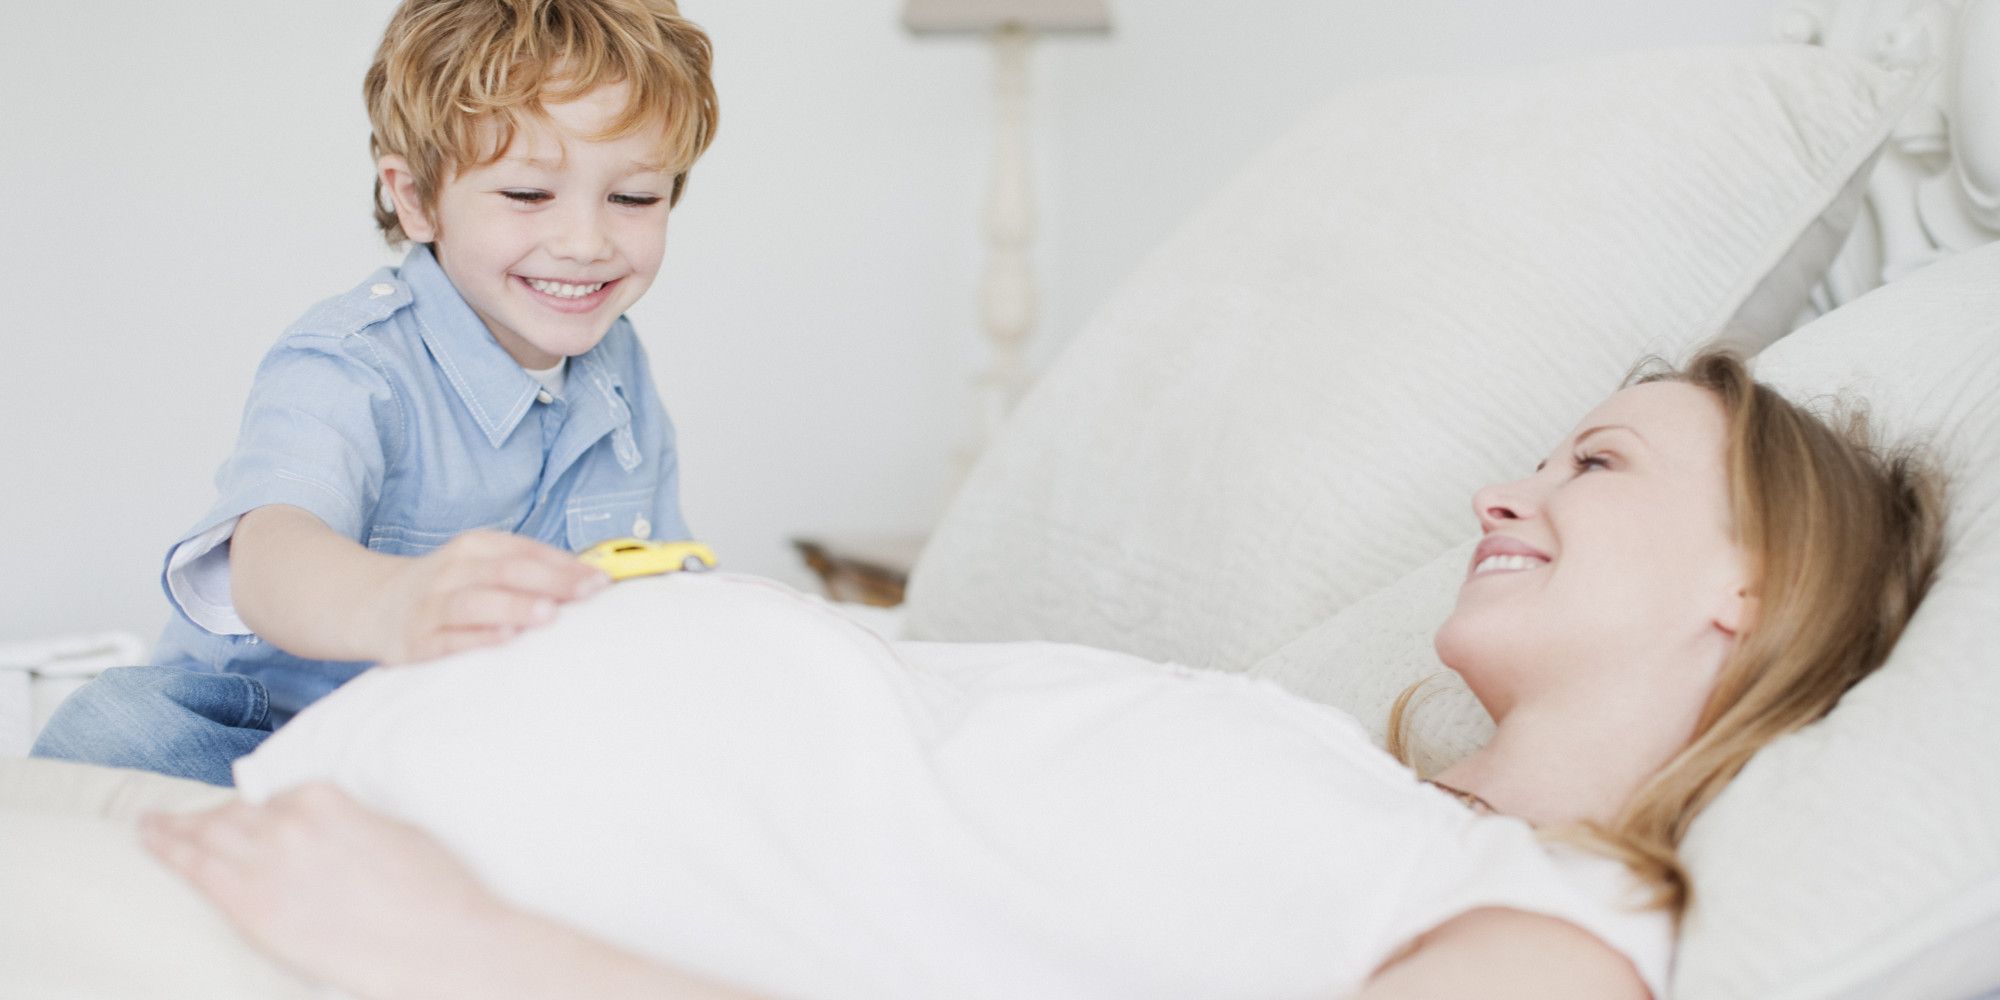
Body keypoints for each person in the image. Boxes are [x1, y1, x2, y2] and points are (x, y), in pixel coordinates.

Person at [137, 352, 1946, 999]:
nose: (1505, 487)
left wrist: (481, 956)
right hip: (318, 851)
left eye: (1597, 463)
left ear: (1754, 582)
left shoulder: (1554, 939)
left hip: (385, 932)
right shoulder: (1380, 813)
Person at [32, 0, 721, 786]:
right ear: (417, 199)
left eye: (634, 199)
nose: (586, 242)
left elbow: (666, 583)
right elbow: (268, 551)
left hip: (456, 749)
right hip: (272, 738)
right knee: (122, 730)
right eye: (529, 194)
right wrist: (398, 602)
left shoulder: (619, 371)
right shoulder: (352, 363)